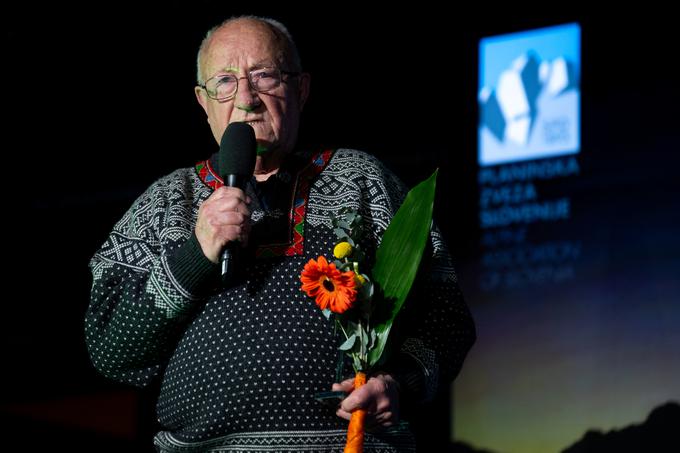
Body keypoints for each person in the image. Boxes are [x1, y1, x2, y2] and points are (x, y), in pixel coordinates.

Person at [85, 15, 475, 452]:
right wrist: (195, 255)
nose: (247, 99)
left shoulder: (362, 181)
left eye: (264, 75)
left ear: (302, 88)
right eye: (226, 81)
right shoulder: (164, 202)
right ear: (203, 101)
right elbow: (111, 349)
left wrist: (400, 383)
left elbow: (447, 318)